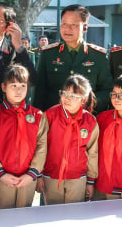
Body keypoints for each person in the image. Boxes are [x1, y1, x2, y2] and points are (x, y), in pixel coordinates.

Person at [0, 65, 47, 209]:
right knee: (1, 215)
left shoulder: (37, 115)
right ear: (3, 87)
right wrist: (0, 173)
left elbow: (42, 146)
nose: (18, 90)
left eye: (23, 85)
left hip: (28, 178)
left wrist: (33, 174)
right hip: (1, 177)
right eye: (13, 85)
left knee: (24, 217)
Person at [35, 4, 113, 112]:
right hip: (54, 119)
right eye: (64, 24)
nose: (67, 29)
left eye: (73, 24)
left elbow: (106, 91)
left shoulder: (98, 56)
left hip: (86, 119)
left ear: (85, 27)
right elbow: (39, 91)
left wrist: (86, 102)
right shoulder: (48, 54)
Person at [37, 74, 99, 204]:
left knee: (74, 216)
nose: (67, 99)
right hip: (51, 176)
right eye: (64, 93)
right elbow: (40, 147)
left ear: (83, 99)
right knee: (52, 216)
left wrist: (90, 181)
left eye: (73, 96)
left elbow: (92, 153)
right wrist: (38, 174)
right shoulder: (50, 115)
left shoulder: (90, 121)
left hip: (78, 178)